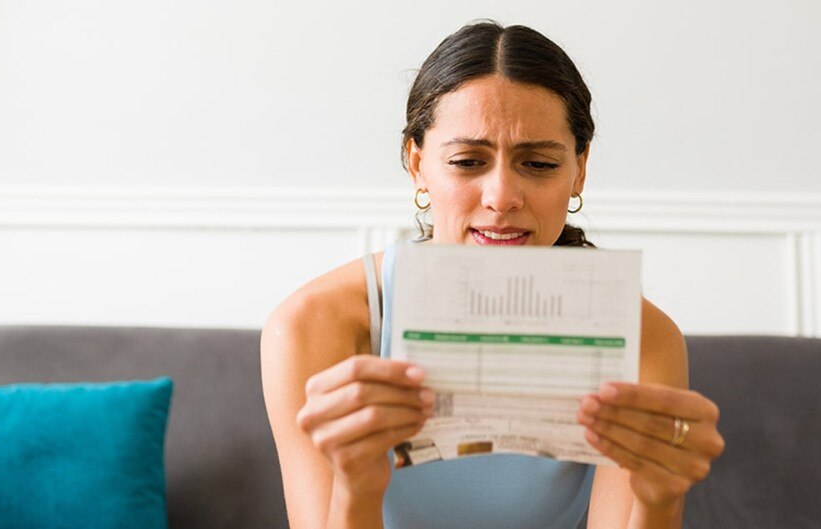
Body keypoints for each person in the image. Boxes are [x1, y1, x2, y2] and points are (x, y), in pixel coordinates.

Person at [261, 21, 724, 529]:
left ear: (579, 169)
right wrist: (356, 488)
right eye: (467, 160)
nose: (501, 196)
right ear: (417, 165)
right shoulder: (315, 324)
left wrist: (660, 501)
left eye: (540, 163)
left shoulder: (642, 339)